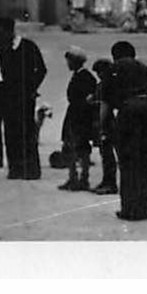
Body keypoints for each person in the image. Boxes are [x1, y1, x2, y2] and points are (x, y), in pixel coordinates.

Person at [0, 17, 47, 178]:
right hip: (5, 97)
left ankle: (31, 169)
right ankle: (15, 168)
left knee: (26, 134)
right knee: (10, 133)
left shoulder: (28, 47)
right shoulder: (2, 49)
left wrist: (31, 88)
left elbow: (41, 69)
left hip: (23, 97)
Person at [106, 40, 147, 221]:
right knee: (145, 160)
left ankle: (129, 209)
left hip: (130, 110)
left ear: (115, 55)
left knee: (128, 161)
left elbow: (105, 103)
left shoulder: (115, 68)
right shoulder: (144, 68)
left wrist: (104, 128)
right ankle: (142, 209)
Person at [57, 47, 99, 192]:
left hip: (79, 115)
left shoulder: (83, 77)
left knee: (75, 146)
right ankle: (79, 178)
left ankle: (77, 178)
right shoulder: (85, 76)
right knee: (79, 147)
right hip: (78, 114)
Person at [89, 58, 119, 195]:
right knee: (106, 153)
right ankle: (107, 181)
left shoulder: (105, 85)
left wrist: (99, 124)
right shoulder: (112, 84)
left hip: (106, 121)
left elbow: (104, 106)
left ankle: (109, 182)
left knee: (107, 154)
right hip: (110, 121)